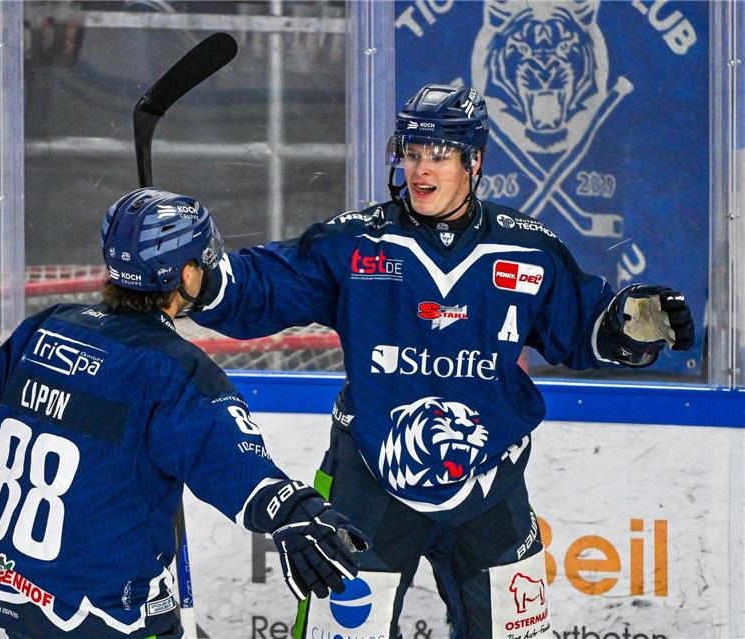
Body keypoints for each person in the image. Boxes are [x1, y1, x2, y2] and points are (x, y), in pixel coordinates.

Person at [190, 85, 695, 639]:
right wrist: (197, 276)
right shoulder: (356, 243)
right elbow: (262, 285)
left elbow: (583, 327)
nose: (420, 170)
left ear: (474, 161)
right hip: (370, 476)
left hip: (490, 483)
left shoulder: (527, 249)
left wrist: (630, 323)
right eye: (411, 154)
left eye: (438, 155)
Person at [0, 187, 369, 639]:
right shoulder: (172, 369)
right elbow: (234, 466)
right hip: (112, 614)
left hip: (19, 598)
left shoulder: (45, 329)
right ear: (186, 273)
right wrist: (293, 512)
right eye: (203, 259)